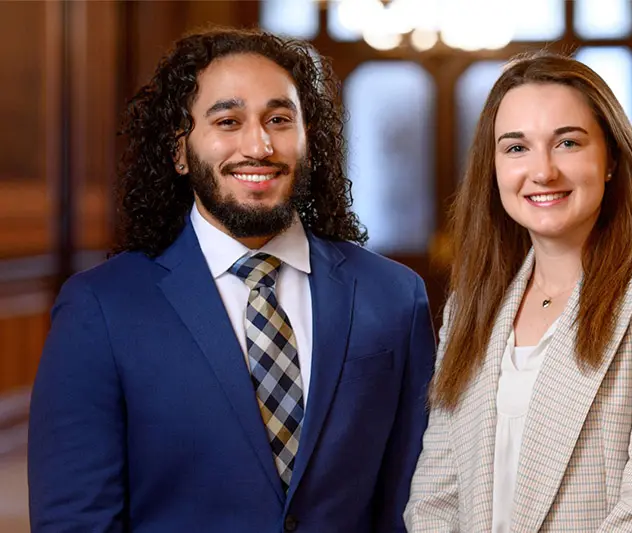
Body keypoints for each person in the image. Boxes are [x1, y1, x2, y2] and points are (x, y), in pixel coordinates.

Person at [28, 27, 436, 533]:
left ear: (310, 140)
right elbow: (76, 519)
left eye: (280, 120)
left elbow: (414, 499)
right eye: (228, 120)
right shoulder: (100, 308)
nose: (259, 144)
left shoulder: (394, 296)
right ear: (180, 150)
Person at [404, 51, 632, 532]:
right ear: (493, 168)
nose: (543, 171)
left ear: (611, 158)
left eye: (568, 143)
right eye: (516, 148)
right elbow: (435, 493)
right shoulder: (473, 307)